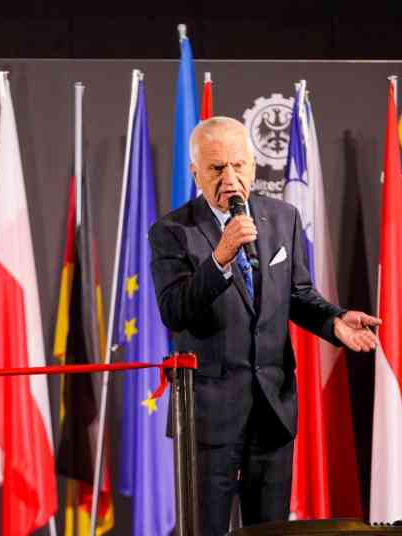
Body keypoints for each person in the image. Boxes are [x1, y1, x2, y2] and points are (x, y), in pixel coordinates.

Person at [149, 116, 380, 535]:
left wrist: (333, 321)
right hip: (209, 416)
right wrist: (220, 257)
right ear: (196, 172)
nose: (230, 178)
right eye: (217, 168)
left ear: (253, 167)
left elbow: (297, 294)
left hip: (273, 408)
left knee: (271, 531)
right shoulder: (172, 231)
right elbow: (175, 310)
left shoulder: (282, 217)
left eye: (238, 165)